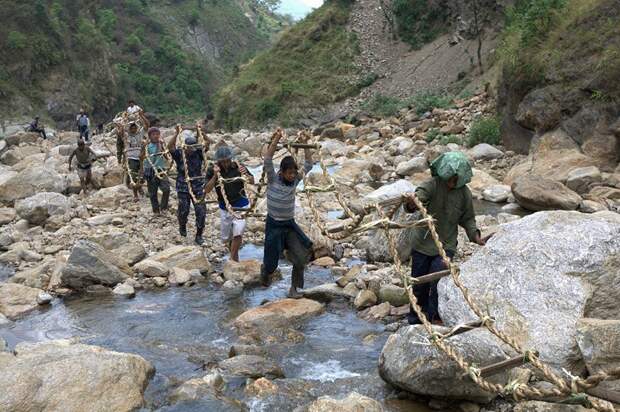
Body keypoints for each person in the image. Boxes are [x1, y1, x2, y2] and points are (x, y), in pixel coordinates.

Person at [404, 151, 488, 325]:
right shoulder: (432, 185)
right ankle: (415, 319)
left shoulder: (464, 194)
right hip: (422, 243)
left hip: (446, 245)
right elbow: (417, 198)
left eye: (456, 179)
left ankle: (435, 317)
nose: (452, 182)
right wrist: (412, 202)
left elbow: (468, 218)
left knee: (438, 281)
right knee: (419, 283)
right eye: (450, 177)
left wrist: (476, 236)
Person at [260, 129, 314, 298]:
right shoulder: (273, 179)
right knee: (271, 263)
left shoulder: (296, 180)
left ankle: (294, 289)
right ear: (281, 172)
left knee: (300, 256)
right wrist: (276, 139)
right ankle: (265, 271)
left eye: (293, 173)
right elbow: (268, 159)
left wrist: (305, 144)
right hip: (274, 225)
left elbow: (309, 165)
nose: (292, 176)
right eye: (289, 173)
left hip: (289, 225)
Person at [205, 146, 255, 262]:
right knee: (227, 237)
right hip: (225, 206)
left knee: (238, 232)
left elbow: (252, 181)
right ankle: (234, 254)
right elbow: (207, 189)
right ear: (218, 161)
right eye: (223, 162)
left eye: (227, 161)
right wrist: (214, 176)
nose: (226, 164)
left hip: (241, 204)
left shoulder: (238, 166)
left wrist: (246, 175)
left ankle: (232, 259)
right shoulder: (212, 169)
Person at [168, 126, 206, 245]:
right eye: (189, 147)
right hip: (183, 186)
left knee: (201, 211)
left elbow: (208, 143)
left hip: (198, 186)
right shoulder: (180, 154)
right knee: (183, 209)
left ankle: (199, 235)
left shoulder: (199, 153)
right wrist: (176, 133)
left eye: (193, 147)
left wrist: (200, 131)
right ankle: (182, 226)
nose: (191, 150)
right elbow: (170, 147)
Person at [116, 113, 149, 201]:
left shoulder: (140, 134)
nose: (133, 129)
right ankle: (135, 195)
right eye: (132, 128)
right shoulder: (126, 135)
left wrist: (141, 115)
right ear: (129, 129)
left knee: (142, 176)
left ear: (137, 128)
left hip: (141, 158)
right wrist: (123, 120)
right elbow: (121, 131)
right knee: (133, 177)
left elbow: (147, 125)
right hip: (131, 159)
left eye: (135, 128)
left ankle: (140, 187)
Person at [143, 127, 170, 214]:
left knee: (166, 189)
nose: (156, 136)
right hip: (150, 170)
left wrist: (163, 147)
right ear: (149, 136)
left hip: (161, 169)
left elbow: (167, 157)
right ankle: (156, 210)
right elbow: (142, 157)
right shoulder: (147, 146)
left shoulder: (162, 145)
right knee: (152, 192)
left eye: (157, 134)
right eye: (153, 134)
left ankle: (163, 207)